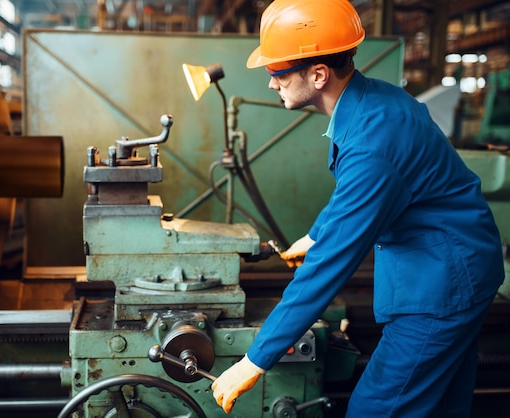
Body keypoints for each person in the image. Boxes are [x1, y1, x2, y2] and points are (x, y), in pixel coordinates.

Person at [211, 0, 505, 416]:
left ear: (318, 74)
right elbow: (358, 195)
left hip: (443, 286)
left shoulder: (372, 142)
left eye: (277, 72)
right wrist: (316, 234)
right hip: (464, 263)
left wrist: (255, 359)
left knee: (375, 409)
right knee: (441, 406)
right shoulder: (372, 100)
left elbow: (330, 266)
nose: (271, 83)